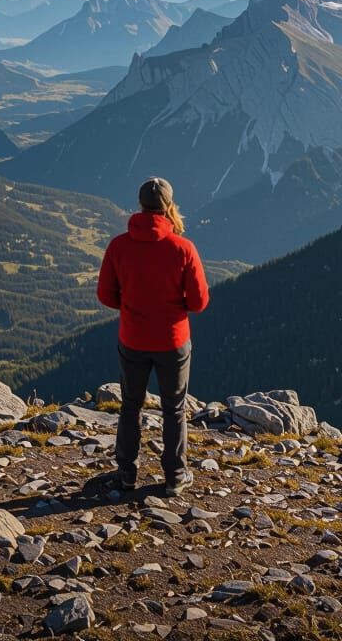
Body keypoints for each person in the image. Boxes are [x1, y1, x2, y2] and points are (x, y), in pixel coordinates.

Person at [96, 176, 210, 496]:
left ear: (141, 206)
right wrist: (174, 309)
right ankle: (175, 476)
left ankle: (126, 474)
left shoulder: (119, 246)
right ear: (169, 207)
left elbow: (106, 295)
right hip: (173, 341)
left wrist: (132, 307)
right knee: (174, 408)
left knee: (131, 405)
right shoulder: (183, 248)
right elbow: (199, 302)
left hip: (132, 339)